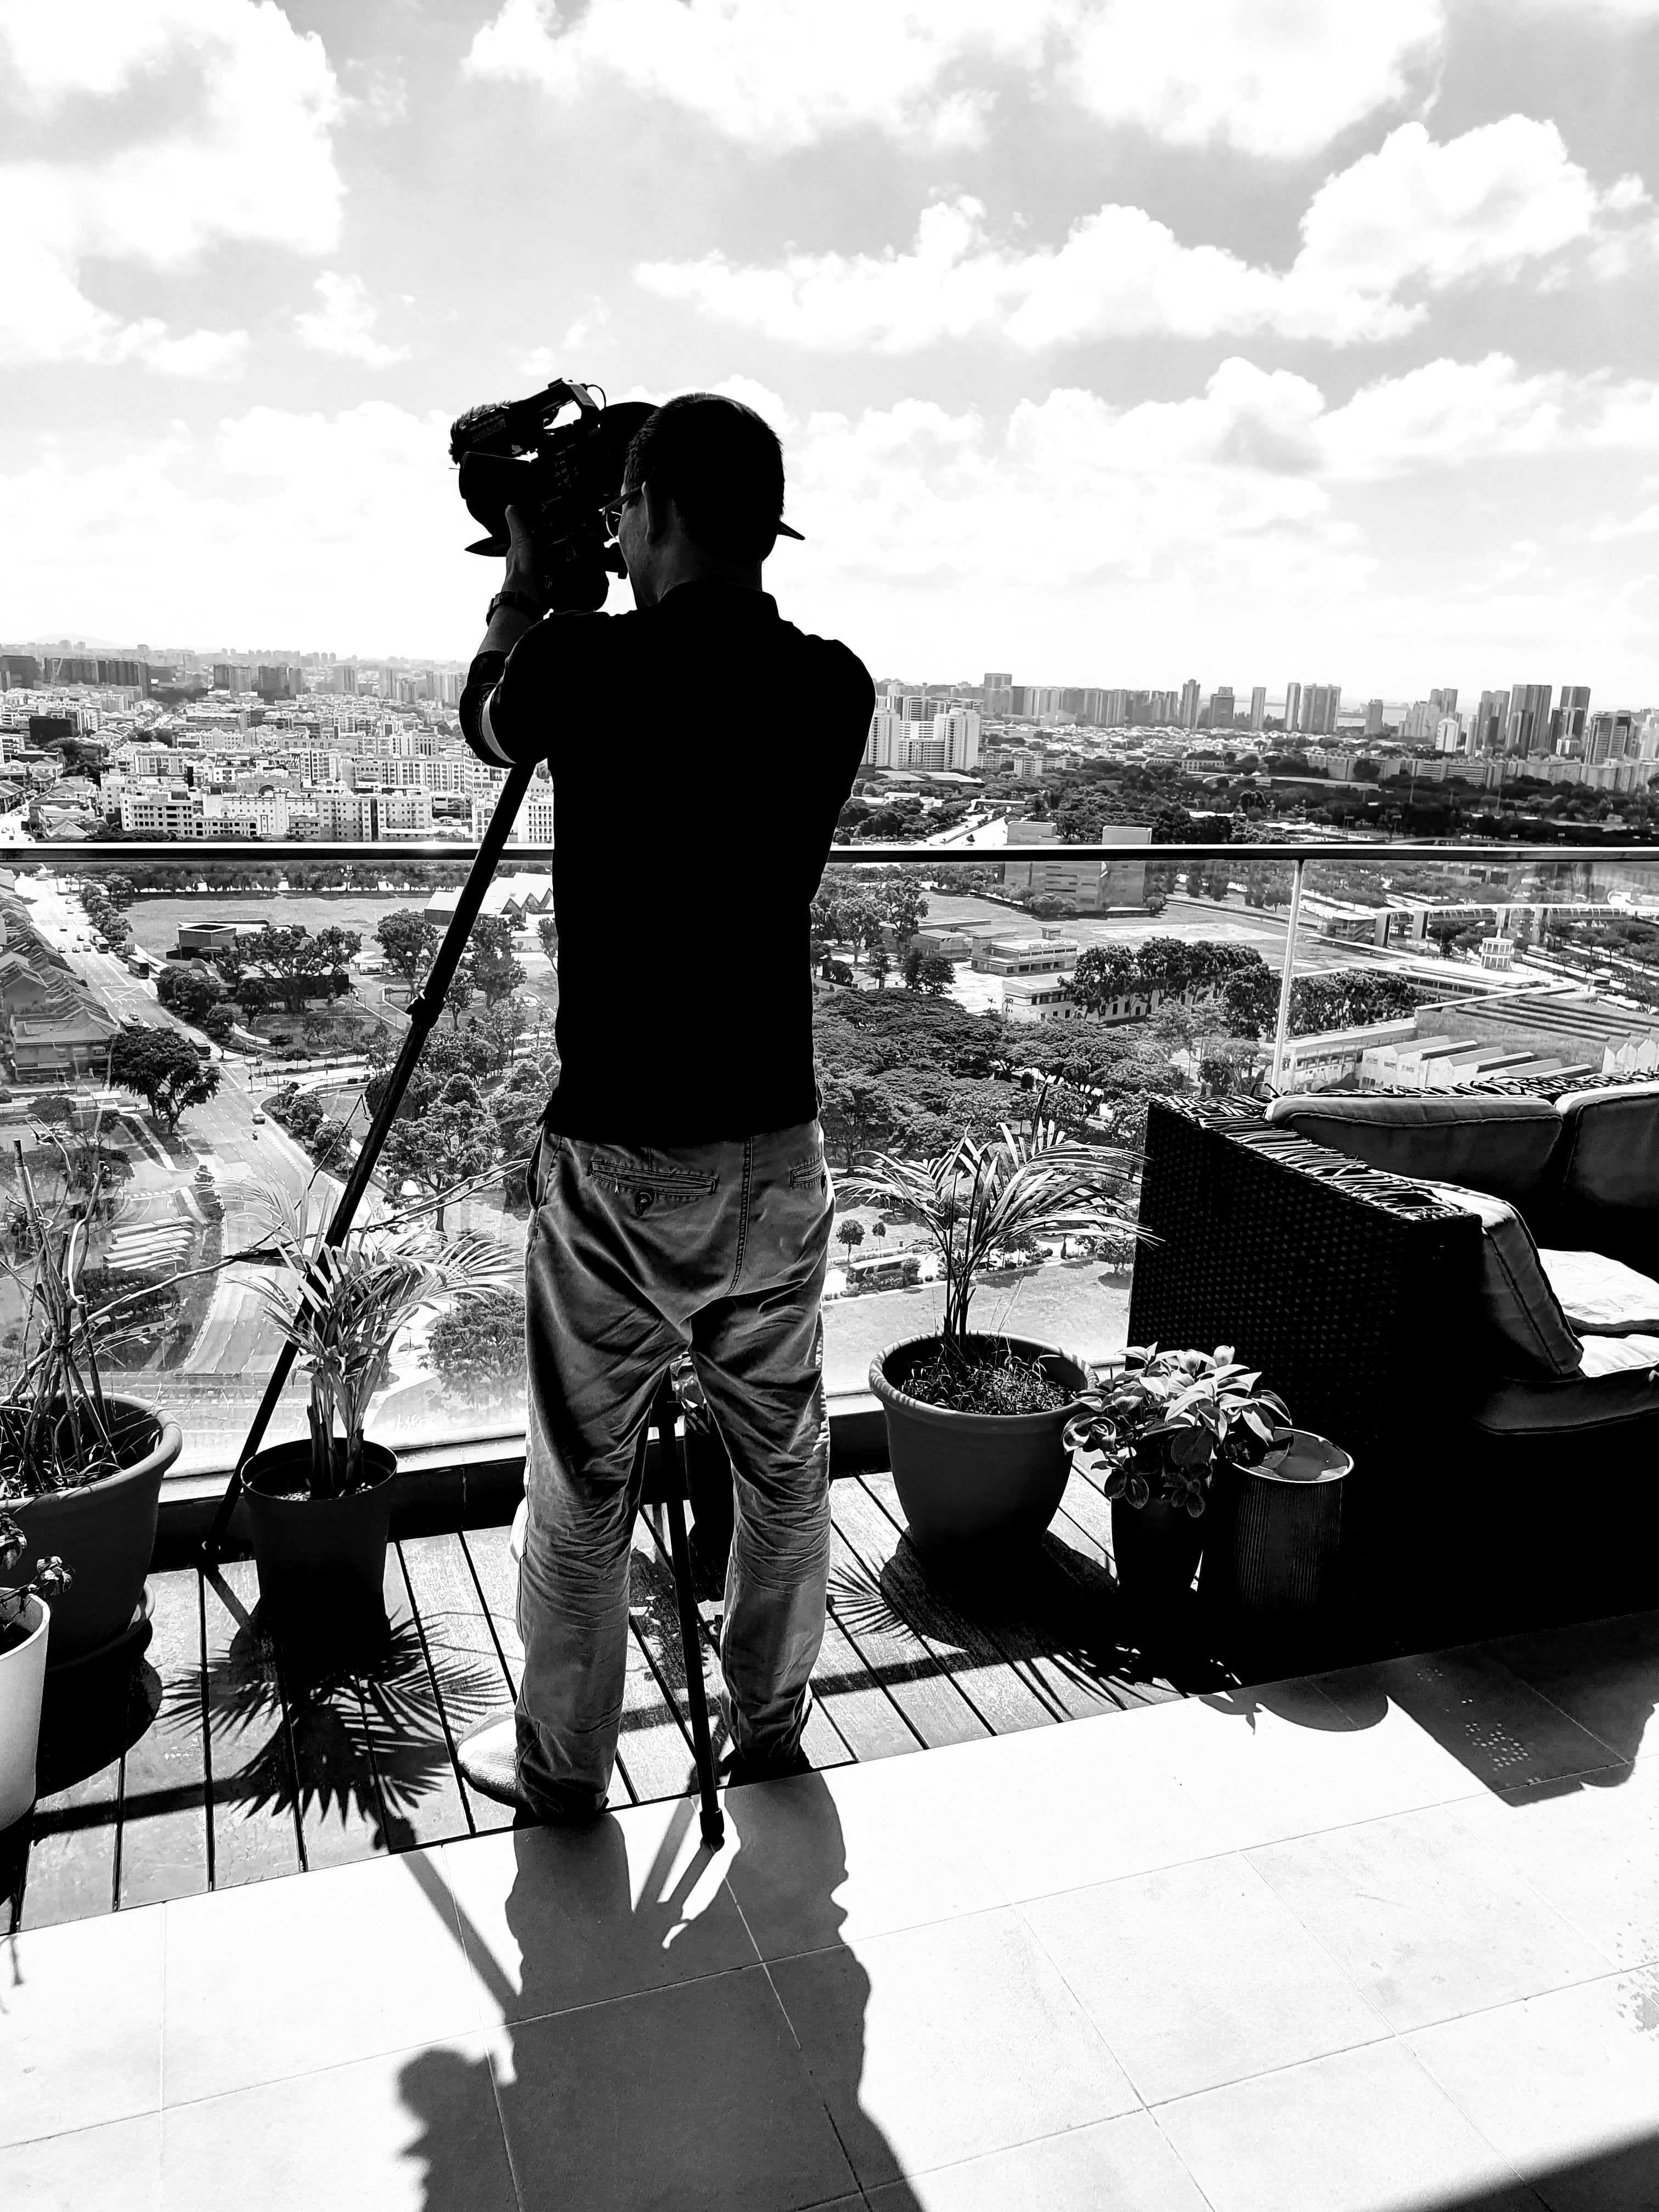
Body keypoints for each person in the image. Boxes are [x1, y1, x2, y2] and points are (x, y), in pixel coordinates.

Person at [454, 393, 873, 1820]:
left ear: (645, 514)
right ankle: (768, 1728)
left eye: (625, 512)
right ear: (766, 529)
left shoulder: (583, 666)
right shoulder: (832, 689)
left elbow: (489, 723)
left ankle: (565, 1763)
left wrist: (527, 583)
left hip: (624, 1151)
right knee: (783, 1459)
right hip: (773, 1143)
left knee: (584, 1478)